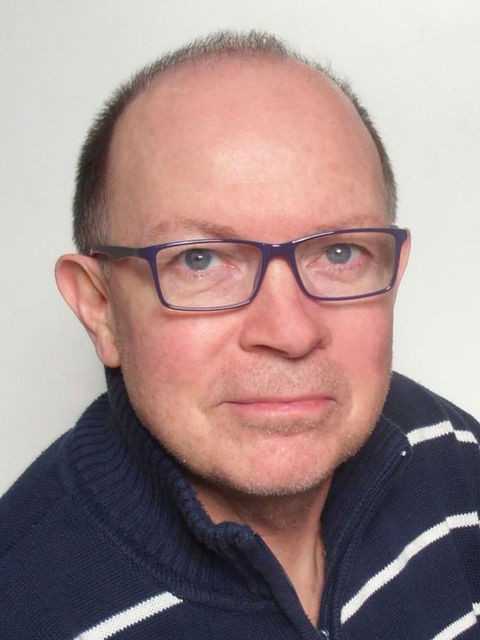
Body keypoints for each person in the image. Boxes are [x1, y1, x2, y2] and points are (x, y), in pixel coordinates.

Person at [1, 31, 479, 640]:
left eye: (339, 252)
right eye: (199, 260)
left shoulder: (453, 450)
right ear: (100, 308)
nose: (290, 332)